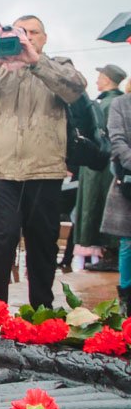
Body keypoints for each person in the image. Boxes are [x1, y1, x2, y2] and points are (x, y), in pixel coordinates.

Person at [0, 15, 86, 309]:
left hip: (43, 170)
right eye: (21, 32)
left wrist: (34, 61)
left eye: (33, 33)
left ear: (43, 38)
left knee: (42, 244)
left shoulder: (58, 66)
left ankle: (42, 310)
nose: (27, 37)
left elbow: (75, 89)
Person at [76, 64, 126, 272]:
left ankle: (109, 252)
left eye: (100, 77)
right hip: (105, 165)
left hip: (100, 168)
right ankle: (109, 252)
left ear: (107, 79)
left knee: (96, 207)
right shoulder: (115, 101)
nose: (97, 81)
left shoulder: (108, 103)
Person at [100, 89, 131, 314]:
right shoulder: (121, 103)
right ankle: (127, 301)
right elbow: (117, 139)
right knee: (128, 243)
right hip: (128, 182)